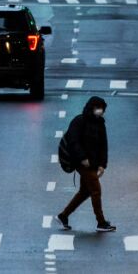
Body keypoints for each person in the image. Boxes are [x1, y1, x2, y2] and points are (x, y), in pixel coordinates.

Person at [56, 96, 116, 233]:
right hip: (81, 163)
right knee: (96, 190)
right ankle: (101, 222)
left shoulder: (100, 123)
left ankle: (63, 215)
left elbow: (103, 145)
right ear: (91, 108)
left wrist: (102, 165)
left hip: (94, 164)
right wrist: (82, 158)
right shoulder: (79, 121)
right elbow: (73, 141)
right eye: (98, 108)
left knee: (85, 191)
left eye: (102, 109)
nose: (100, 111)